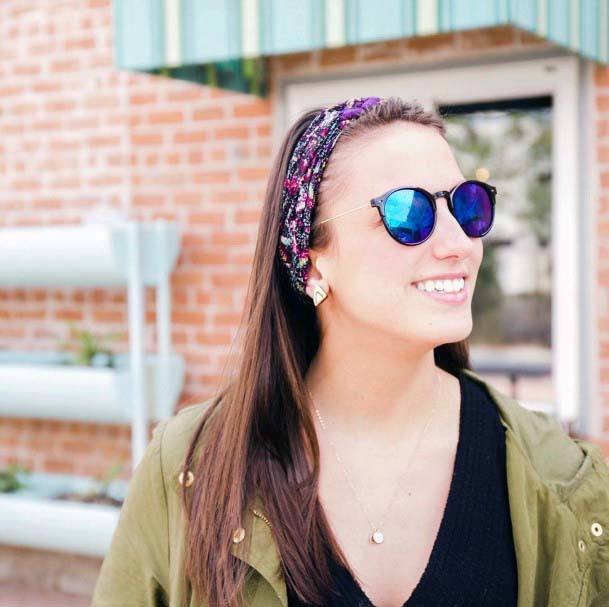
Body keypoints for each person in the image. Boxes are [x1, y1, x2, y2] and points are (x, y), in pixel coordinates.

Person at [92, 96, 609, 607]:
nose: (460, 244)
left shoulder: (561, 477)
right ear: (312, 261)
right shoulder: (190, 467)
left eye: (469, 205)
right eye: (409, 213)